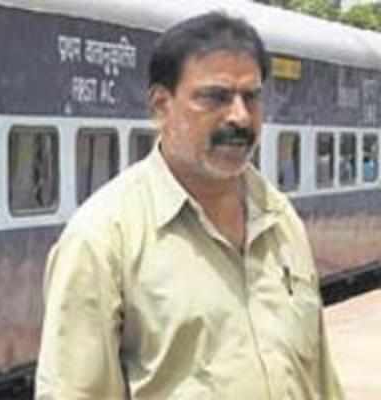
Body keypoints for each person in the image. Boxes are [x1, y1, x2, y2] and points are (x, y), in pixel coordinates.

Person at [36, 12, 345, 400]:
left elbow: (320, 378)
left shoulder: (280, 218)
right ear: (161, 106)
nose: (240, 116)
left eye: (251, 97)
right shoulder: (103, 238)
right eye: (215, 97)